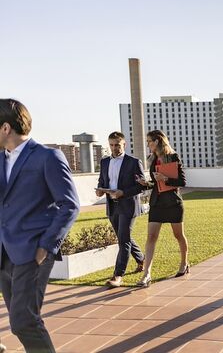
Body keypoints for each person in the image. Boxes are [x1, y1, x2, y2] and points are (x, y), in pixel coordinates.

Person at [0, 99, 79, 351]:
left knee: (24, 321)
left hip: (33, 251)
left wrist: (46, 247)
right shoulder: (1, 159)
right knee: (21, 319)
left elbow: (70, 204)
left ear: (5, 128)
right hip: (4, 252)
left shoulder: (48, 157)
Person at [136, 130, 188, 287]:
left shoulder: (173, 157)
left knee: (178, 236)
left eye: (150, 141)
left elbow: (182, 181)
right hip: (157, 203)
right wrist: (147, 184)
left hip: (173, 203)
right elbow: (156, 184)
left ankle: (184, 263)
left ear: (158, 141)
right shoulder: (153, 159)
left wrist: (165, 178)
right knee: (151, 237)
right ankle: (147, 275)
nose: (148, 144)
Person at [95, 131, 145, 287]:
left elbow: (141, 187)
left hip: (128, 205)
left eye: (117, 145)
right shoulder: (104, 162)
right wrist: (100, 190)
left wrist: (123, 192)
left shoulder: (134, 162)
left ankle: (118, 276)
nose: (114, 148)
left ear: (124, 144)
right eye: (111, 145)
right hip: (112, 206)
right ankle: (141, 259)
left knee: (123, 241)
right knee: (125, 238)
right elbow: (102, 181)